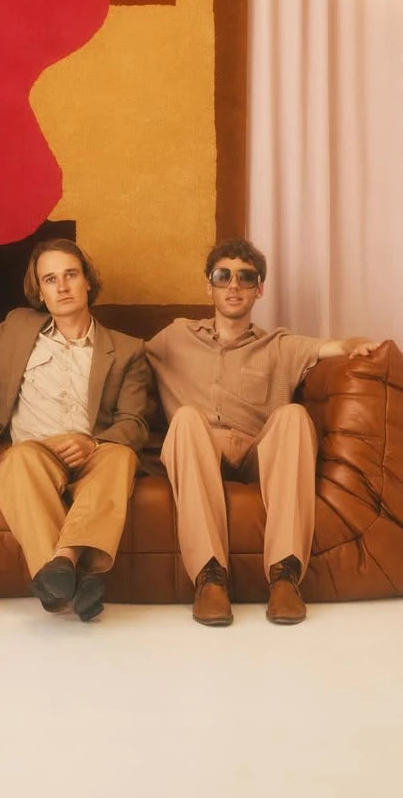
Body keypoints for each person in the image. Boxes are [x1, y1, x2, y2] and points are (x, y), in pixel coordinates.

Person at [146, 237, 379, 627]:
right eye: (223, 276)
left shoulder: (280, 345)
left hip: (257, 452)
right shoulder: (175, 337)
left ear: (260, 289)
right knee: (185, 418)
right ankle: (210, 577)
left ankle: (285, 575)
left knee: (293, 416)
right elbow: (123, 356)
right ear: (208, 286)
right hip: (199, 448)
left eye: (246, 277)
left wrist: (363, 345)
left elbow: (336, 346)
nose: (234, 285)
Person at [0, 238, 151, 622]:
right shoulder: (19, 326)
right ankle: (76, 574)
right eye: (50, 279)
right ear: (40, 292)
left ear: (87, 282)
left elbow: (135, 422)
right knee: (18, 459)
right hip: (34, 452)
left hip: (94, 452)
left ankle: (61, 567)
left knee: (122, 456)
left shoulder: (128, 350)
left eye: (70, 275)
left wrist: (93, 442)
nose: (61, 287)